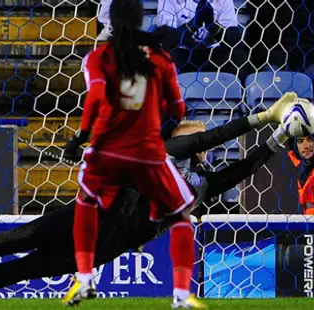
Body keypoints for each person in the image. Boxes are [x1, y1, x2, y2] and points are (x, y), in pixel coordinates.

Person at [0, 92, 302, 306]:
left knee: (27, 268)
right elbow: (209, 138)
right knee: (25, 237)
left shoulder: (200, 186)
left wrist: (280, 139)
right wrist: (264, 116)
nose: (199, 145)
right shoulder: (165, 153)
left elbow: (241, 170)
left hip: (112, 243)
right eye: (194, 138)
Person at [64, 0, 205, 306]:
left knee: (85, 202)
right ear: (143, 20)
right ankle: (181, 295)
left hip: (107, 150)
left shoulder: (98, 57)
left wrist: (79, 138)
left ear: (110, 21)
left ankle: (85, 279)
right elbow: (177, 107)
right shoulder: (159, 57)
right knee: (181, 214)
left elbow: (96, 98)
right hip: (147, 152)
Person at [155, 0, 246, 76]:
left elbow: (234, 39)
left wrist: (212, 26)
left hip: (215, 54)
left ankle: (236, 95)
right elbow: (165, 39)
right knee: (163, 54)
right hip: (182, 53)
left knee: (238, 55)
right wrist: (194, 24)